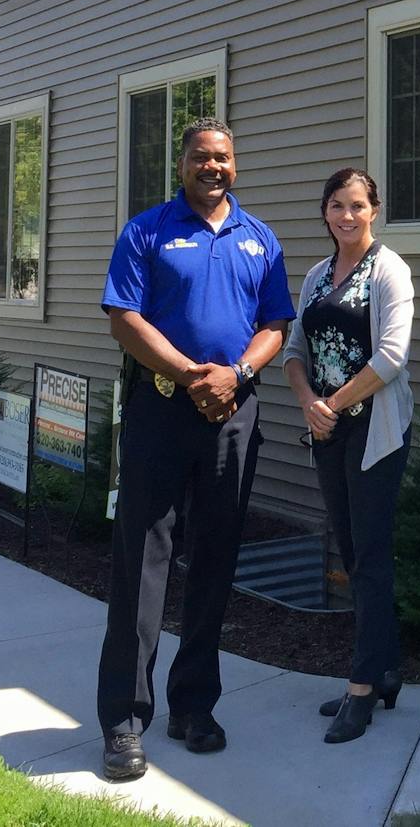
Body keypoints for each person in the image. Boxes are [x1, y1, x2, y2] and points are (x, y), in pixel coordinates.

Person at [96, 118, 295, 781]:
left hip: (234, 413)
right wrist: (191, 374)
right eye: (201, 156)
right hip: (159, 409)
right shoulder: (146, 230)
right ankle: (125, 721)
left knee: (215, 559)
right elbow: (125, 316)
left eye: (224, 158)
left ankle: (194, 706)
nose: (213, 166)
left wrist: (233, 375)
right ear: (180, 163)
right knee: (142, 562)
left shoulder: (259, 238)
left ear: (235, 166)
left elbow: (275, 323)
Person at [282, 167, 414, 744]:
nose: (347, 216)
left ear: (374, 210)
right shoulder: (315, 276)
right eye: (337, 205)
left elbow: (392, 357)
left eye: (357, 205)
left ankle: (361, 689)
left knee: (372, 554)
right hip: (328, 430)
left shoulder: (389, 269)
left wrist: (330, 404)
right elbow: (293, 350)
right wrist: (311, 402)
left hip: (374, 432)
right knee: (352, 548)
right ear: (326, 212)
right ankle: (384, 669)